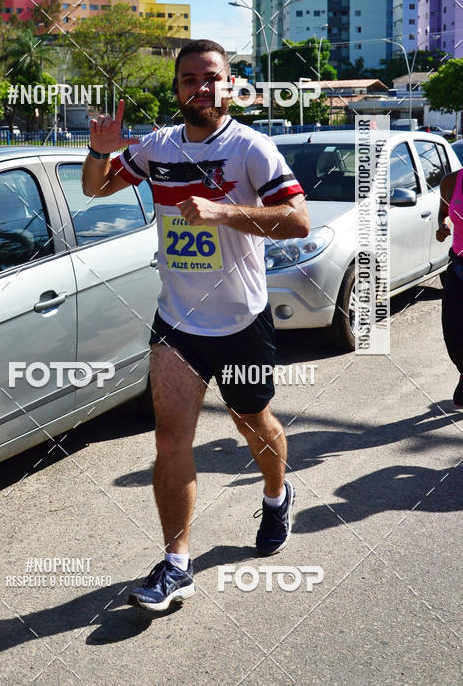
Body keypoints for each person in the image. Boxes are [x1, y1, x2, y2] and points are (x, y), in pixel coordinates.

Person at [82, 39, 309, 612]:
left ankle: (278, 494)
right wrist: (96, 150)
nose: (199, 88)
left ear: (230, 85)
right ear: (177, 87)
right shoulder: (157, 147)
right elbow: (96, 187)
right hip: (178, 322)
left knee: (252, 423)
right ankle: (176, 563)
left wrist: (223, 211)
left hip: (240, 321)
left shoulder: (251, 149)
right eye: (188, 79)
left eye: (211, 78)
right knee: (169, 438)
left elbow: (298, 220)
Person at [436, 167, 463, 409]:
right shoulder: (451, 182)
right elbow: (443, 213)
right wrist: (443, 226)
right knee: (452, 333)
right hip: (459, 267)